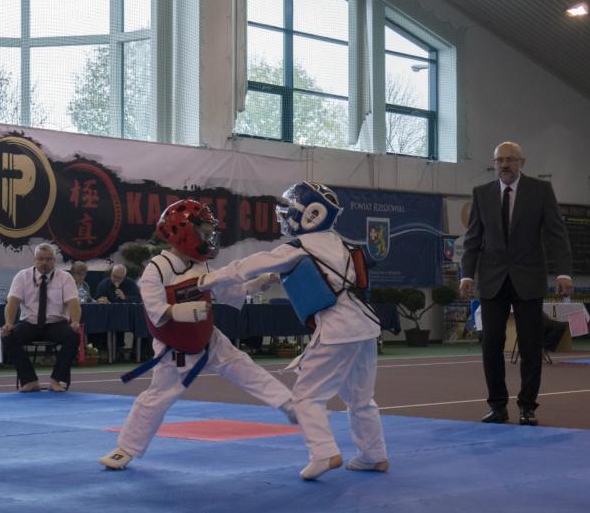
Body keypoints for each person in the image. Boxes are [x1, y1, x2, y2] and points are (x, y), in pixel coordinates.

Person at [199, 182, 387, 480]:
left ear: (311, 214)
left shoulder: (299, 247)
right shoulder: (340, 243)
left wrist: (206, 281)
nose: (285, 217)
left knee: (306, 397)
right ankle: (374, 455)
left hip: (337, 330)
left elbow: (247, 266)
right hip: (365, 327)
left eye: (290, 211)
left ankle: (323, 452)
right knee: (360, 398)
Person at [98, 199, 296, 471]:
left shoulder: (201, 266)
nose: (209, 238)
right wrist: (183, 311)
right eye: (204, 232)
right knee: (157, 398)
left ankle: (288, 403)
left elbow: (228, 292)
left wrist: (257, 284)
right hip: (174, 346)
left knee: (243, 366)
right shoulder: (158, 268)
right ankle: (125, 449)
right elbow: (155, 312)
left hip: (206, 337)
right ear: (183, 232)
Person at [460, 141, 572, 426]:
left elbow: (556, 234)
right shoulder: (481, 193)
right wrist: (466, 275)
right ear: (494, 164)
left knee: (531, 346)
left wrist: (563, 273)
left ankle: (527, 407)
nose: (505, 165)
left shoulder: (540, 190)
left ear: (522, 162)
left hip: (529, 278)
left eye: (511, 159)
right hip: (492, 280)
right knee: (491, 344)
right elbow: (473, 239)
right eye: (500, 160)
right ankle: (497, 406)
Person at [1, 243, 81, 393]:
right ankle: (29, 380)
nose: (44, 262)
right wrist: (8, 324)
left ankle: (56, 380)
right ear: (35, 260)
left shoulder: (65, 277)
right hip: (29, 323)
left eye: (48, 259)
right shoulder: (22, 276)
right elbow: (12, 302)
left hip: (56, 323)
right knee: (8, 336)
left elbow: (74, 303)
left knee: (73, 335)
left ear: (54, 260)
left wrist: (75, 322)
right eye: (41, 259)